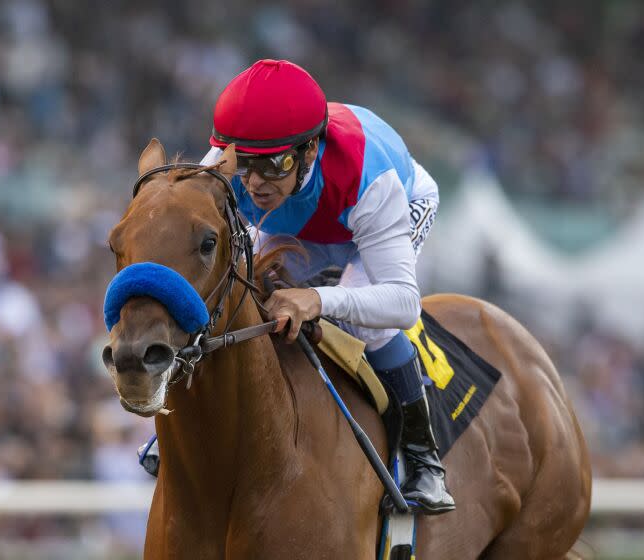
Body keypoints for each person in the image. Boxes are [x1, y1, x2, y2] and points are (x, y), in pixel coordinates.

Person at [140, 59, 454, 515]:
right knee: (239, 287)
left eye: (272, 165)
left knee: (370, 327)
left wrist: (318, 298)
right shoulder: (225, 166)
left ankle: (426, 463)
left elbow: (404, 303)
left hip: (385, 210)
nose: (253, 183)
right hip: (308, 221)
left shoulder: (370, 179)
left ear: (309, 151)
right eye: (243, 164)